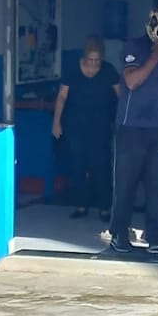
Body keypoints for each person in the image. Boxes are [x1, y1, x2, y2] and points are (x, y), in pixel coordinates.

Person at [110, 4, 158, 260]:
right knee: (126, 184)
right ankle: (119, 234)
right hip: (131, 127)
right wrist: (155, 57)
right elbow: (131, 82)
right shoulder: (134, 47)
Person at [52, 35, 120, 220]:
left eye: (97, 60)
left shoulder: (108, 70)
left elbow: (120, 95)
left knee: (101, 166)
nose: (94, 63)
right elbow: (62, 97)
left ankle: (104, 207)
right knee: (77, 165)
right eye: (90, 60)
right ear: (84, 57)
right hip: (75, 125)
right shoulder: (73, 70)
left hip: (100, 125)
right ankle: (81, 205)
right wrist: (56, 122)